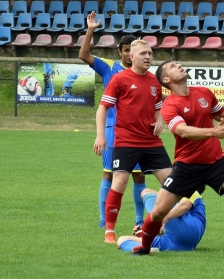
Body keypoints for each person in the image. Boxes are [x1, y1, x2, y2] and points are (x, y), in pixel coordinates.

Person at [131, 61, 224, 259]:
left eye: (178, 64)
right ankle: (145, 248)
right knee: (157, 212)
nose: (179, 65)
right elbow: (182, 131)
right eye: (173, 66)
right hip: (187, 166)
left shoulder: (204, 93)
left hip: (215, 161)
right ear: (166, 80)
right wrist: (213, 132)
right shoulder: (170, 105)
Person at [93, 39, 173, 244]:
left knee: (173, 183)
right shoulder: (119, 79)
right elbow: (102, 108)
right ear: (131, 57)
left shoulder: (155, 82)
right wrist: (100, 135)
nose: (148, 57)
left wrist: (159, 120)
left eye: (150, 53)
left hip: (151, 142)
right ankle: (109, 231)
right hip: (126, 141)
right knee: (119, 182)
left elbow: (157, 106)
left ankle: (163, 223)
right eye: (144, 53)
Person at [80, 12, 147, 230]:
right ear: (120, 52)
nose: (129, 54)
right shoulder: (109, 66)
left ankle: (139, 220)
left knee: (138, 177)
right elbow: (83, 55)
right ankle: (103, 220)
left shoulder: (144, 72)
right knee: (109, 173)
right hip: (112, 129)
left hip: (137, 132)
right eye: (126, 51)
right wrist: (91, 29)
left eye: (132, 50)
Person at [117, 188, 206, 253]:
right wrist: (147, 227)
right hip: (180, 244)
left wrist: (164, 218)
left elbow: (184, 206)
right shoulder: (176, 196)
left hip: (189, 231)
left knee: (146, 192)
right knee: (121, 240)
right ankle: (145, 249)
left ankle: (147, 236)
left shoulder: (192, 190)